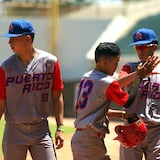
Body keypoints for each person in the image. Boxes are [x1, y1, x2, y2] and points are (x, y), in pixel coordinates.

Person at [71, 42, 158, 160]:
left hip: (81, 139)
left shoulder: (87, 76)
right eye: (115, 62)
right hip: (90, 142)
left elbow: (111, 89)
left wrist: (123, 115)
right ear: (105, 61)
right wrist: (139, 78)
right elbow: (127, 101)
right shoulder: (106, 82)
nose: (116, 66)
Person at [0, 19, 64, 160]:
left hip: (41, 130)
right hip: (14, 130)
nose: (9, 43)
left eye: (13, 39)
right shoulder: (5, 67)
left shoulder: (50, 62)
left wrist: (60, 127)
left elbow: (57, 95)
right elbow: (1, 101)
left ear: (27, 39)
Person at [118, 28, 160, 160]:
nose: (139, 51)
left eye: (142, 46)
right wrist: (138, 75)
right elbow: (116, 84)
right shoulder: (130, 67)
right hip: (132, 127)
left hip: (157, 130)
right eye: (137, 47)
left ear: (154, 47)